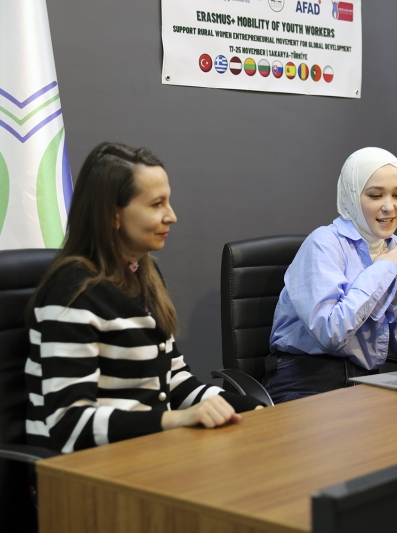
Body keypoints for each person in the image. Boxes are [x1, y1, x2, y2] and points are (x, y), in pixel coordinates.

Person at [25, 142, 262, 454]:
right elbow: (69, 425)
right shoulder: (72, 291)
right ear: (113, 215)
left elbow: (176, 382)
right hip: (82, 469)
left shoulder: (145, 276)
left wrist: (253, 410)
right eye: (156, 204)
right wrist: (175, 420)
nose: (171, 216)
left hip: (147, 453)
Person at [264, 147, 397, 403]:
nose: (389, 207)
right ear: (351, 195)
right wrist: (384, 272)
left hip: (367, 381)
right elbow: (330, 334)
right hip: (307, 378)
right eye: (375, 195)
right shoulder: (323, 243)